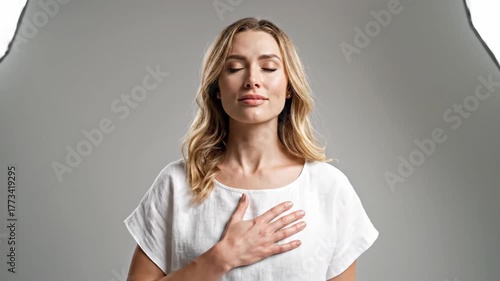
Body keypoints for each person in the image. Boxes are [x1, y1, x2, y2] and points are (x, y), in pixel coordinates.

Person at [123, 17, 379, 281]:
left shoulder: (329, 187)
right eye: (234, 68)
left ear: (289, 87)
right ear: (217, 89)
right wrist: (220, 258)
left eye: (269, 67)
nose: (252, 80)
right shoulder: (176, 184)